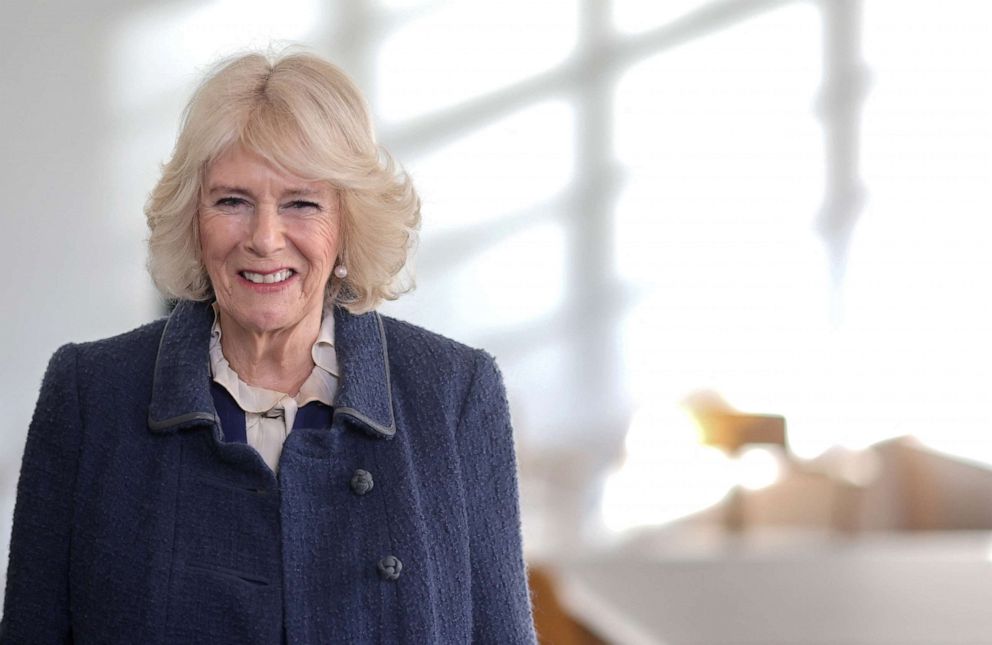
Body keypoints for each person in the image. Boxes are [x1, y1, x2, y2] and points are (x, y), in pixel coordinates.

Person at [1, 51, 537, 644]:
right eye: (232, 200)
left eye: (301, 203)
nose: (263, 238)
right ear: (193, 216)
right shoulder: (90, 393)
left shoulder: (454, 392)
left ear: (349, 222)